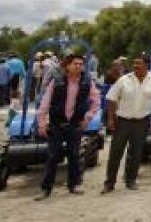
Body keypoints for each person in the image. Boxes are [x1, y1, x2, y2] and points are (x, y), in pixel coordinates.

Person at [34, 53, 101, 200]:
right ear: (67, 65)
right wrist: (41, 122)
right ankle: (46, 189)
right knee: (53, 155)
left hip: (75, 124)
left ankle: (74, 184)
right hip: (57, 123)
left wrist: (87, 118)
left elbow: (96, 102)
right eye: (75, 64)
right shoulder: (56, 81)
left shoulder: (87, 82)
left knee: (74, 154)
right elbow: (45, 102)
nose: (78, 66)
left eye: (80, 64)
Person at [102, 55, 151, 193]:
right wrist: (110, 119)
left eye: (139, 63)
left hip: (142, 122)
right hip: (122, 122)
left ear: (146, 65)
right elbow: (111, 100)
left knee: (136, 153)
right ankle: (109, 183)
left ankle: (131, 181)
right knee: (115, 153)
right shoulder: (123, 80)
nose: (135, 66)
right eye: (134, 63)